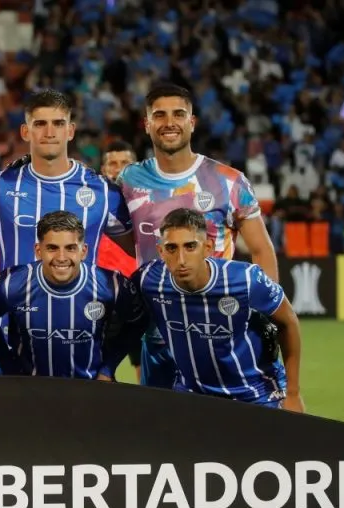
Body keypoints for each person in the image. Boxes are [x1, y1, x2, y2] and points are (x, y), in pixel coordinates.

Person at [118, 83, 279, 390]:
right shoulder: (129, 180)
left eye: (179, 114)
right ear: (147, 124)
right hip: (159, 336)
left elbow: (261, 250)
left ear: (192, 122)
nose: (169, 122)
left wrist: (263, 317)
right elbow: (122, 243)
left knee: (224, 430)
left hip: (221, 334)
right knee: (163, 430)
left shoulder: (229, 181)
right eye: (159, 115)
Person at [133, 209, 302, 411]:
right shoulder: (149, 280)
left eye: (190, 246)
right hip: (192, 395)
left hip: (256, 394)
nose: (181, 259)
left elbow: (288, 322)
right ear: (161, 251)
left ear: (208, 247)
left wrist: (293, 394)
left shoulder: (246, 280)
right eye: (171, 248)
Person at [0, 89, 133, 270]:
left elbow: (145, 251)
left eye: (58, 124)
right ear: (25, 132)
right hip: (16, 298)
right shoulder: (0, 185)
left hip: (83, 298)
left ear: (70, 131)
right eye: (40, 124)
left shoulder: (103, 192)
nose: (49, 132)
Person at [0, 211, 145, 379]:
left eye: (70, 248)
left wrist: (108, 368)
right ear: (38, 250)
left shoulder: (112, 285)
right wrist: (8, 364)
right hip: (29, 388)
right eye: (52, 248)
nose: (61, 257)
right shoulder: (10, 284)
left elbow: (138, 322)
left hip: (92, 388)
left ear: (83, 251)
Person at [98, 139, 141, 380]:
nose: (119, 168)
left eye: (125, 163)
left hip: (141, 297)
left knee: (144, 373)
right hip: (103, 300)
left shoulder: (151, 205)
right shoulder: (93, 204)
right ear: (103, 170)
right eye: (112, 163)